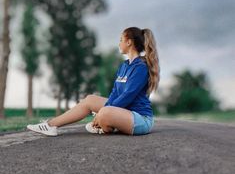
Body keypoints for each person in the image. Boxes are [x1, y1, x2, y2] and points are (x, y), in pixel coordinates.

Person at [27, 27, 160, 136]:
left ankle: (107, 123)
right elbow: (115, 92)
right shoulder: (124, 66)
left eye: (121, 40)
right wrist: (106, 107)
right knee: (90, 99)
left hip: (140, 119)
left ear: (129, 42)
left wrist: (104, 110)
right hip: (124, 111)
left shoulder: (141, 68)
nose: (119, 43)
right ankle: (51, 125)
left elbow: (128, 95)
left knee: (105, 113)